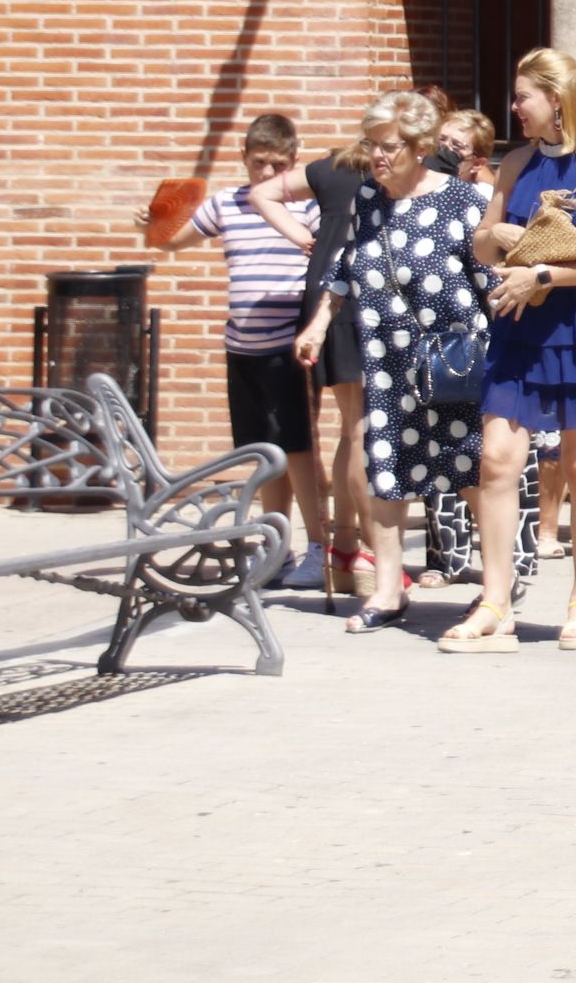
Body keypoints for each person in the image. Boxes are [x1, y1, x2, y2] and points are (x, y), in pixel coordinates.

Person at [450, 48, 576, 653]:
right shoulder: (514, 163)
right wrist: (496, 236)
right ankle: (495, 602)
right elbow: (482, 244)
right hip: (519, 328)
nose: (514, 107)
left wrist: (546, 276)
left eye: (522, 96)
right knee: (497, 462)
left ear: (555, 100)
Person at [290, 92, 498, 637]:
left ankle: (495, 590)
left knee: (471, 468)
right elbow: (344, 265)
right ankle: (387, 588)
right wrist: (316, 324)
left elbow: (493, 282)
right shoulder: (368, 199)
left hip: (452, 361)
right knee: (387, 468)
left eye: (387, 147)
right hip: (385, 357)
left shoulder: (462, 201)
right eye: (372, 146)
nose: (376, 157)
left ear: (422, 147)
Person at [137, 114, 328, 588]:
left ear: (294, 161)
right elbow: (171, 243)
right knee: (264, 452)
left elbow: (330, 261)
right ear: (244, 158)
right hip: (241, 345)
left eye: (278, 165)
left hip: (289, 345)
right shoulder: (226, 204)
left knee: (300, 448)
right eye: (259, 163)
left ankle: (320, 547)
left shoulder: (305, 208)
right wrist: (156, 222)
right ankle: (274, 544)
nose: (267, 173)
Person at [251, 123, 376, 594]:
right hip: (353, 297)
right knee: (362, 427)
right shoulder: (379, 170)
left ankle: (345, 545)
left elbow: (262, 194)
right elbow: (263, 192)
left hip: (327, 290)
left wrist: (306, 236)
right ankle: (367, 551)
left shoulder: (332, 168)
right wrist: (302, 234)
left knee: (353, 426)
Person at [437, 108, 499, 189]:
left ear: (477, 164)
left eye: (457, 146)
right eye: (441, 139)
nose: (444, 147)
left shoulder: (480, 197)